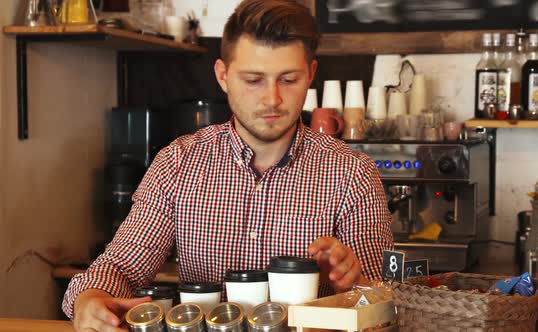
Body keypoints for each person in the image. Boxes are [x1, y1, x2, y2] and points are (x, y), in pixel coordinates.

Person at [63, 0, 394, 330]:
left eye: (288, 80)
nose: (272, 99)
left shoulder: (353, 173)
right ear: (223, 76)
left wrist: (351, 283)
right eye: (253, 80)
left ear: (310, 74)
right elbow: (122, 266)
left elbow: (385, 302)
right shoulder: (177, 163)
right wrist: (89, 298)